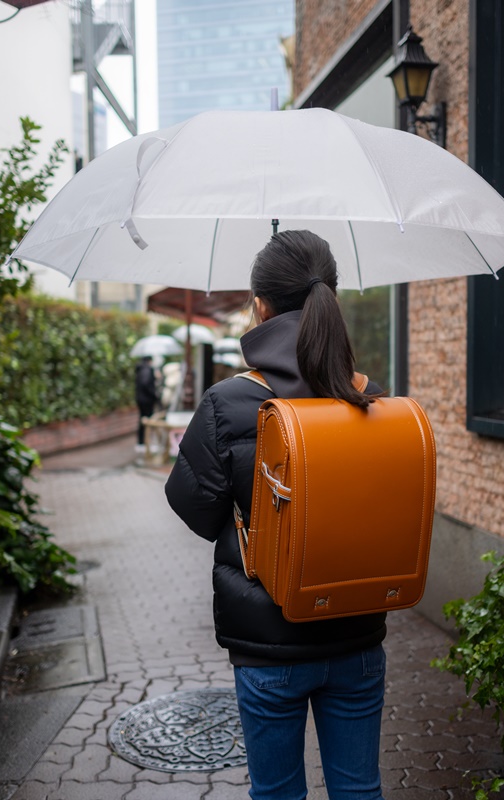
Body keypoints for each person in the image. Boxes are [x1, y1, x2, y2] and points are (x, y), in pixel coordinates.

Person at [165, 230, 386, 800]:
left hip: (269, 643)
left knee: (277, 793)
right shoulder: (370, 398)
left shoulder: (229, 402)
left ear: (260, 306)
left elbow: (195, 510)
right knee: (360, 790)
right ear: (330, 299)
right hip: (356, 637)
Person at [134, 355, 158, 450]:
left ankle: (141, 442)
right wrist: (154, 394)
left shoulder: (140, 369)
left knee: (142, 420)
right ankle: (145, 442)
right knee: (148, 421)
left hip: (140, 399)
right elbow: (146, 383)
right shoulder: (147, 370)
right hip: (147, 400)